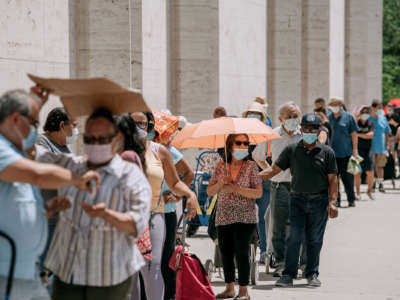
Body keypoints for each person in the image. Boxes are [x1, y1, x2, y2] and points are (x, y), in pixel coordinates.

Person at [36, 108, 152, 300]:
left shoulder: (130, 176)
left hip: (109, 277)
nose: (95, 145)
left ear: (115, 139)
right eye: (90, 139)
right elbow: (31, 152)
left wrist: (107, 214)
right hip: (68, 273)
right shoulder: (71, 166)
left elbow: (135, 225)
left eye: (102, 139)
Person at [0, 89, 99, 300]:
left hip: (27, 273)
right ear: (16, 120)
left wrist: (47, 209)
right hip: (6, 276)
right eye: (34, 123)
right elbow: (37, 175)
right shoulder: (1, 148)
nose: (36, 130)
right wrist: (75, 178)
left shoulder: (15, 150)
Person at [261, 113, 339, 288]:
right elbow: (274, 170)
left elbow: (333, 179)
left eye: (313, 129)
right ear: (301, 130)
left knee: (314, 240)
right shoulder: (292, 149)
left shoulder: (327, 152)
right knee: (293, 238)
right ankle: (288, 275)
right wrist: (254, 176)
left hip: (319, 201)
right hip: (296, 200)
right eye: (306, 128)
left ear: (319, 130)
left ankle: (312, 274)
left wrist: (332, 202)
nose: (309, 131)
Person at [131, 111, 197, 300]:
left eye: (141, 123)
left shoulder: (160, 151)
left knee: (153, 267)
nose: (137, 127)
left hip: (154, 215)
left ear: (150, 126)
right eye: (132, 123)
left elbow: (175, 182)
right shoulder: (118, 150)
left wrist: (188, 194)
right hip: (125, 217)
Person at [207, 134, 262, 300]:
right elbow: (210, 191)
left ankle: (243, 291)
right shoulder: (221, 166)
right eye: (239, 143)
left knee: (241, 251)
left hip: (245, 215)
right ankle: (229, 288)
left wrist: (235, 188)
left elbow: (258, 192)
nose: (243, 146)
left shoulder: (251, 166)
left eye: (246, 143)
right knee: (226, 252)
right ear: (230, 146)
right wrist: (220, 183)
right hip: (224, 214)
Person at [253, 102, 303, 276]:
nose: (292, 119)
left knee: (300, 226)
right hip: (279, 185)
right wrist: (270, 170)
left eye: (295, 116)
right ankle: (280, 262)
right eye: (288, 117)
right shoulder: (272, 135)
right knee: (278, 226)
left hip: (301, 187)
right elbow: (257, 156)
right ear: (281, 119)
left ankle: (300, 263)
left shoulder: (305, 135)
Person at [36, 107, 79, 273]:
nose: (76, 131)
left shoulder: (64, 147)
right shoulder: (41, 143)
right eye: (73, 126)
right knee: (44, 270)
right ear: (62, 125)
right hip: (49, 221)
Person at [243, 101, 270, 263]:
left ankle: (265, 250)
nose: (253, 117)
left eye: (257, 114)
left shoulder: (268, 134)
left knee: (262, 216)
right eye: (250, 114)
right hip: (243, 182)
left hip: (263, 179)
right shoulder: (239, 135)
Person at [328, 97, 358, 207]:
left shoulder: (349, 117)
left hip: (346, 153)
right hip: (332, 154)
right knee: (334, 179)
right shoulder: (328, 117)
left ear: (340, 105)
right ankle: (337, 200)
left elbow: (354, 135)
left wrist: (355, 150)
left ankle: (351, 199)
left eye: (334, 105)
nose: (332, 107)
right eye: (331, 105)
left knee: (348, 178)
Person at [370, 99, 391, 193]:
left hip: (382, 147)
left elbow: (387, 132)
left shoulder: (383, 118)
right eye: (378, 108)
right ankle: (372, 183)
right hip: (371, 147)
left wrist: (387, 144)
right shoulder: (368, 119)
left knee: (380, 166)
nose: (380, 109)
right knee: (372, 166)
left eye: (381, 108)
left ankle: (380, 183)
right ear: (373, 108)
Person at [354, 106, 375, 200]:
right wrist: (356, 117)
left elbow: (370, 135)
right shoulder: (356, 124)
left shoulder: (371, 123)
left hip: (368, 150)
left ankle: (369, 191)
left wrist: (358, 135)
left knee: (370, 172)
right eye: (363, 112)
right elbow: (352, 132)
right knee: (357, 172)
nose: (365, 114)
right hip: (357, 150)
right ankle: (358, 193)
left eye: (367, 112)